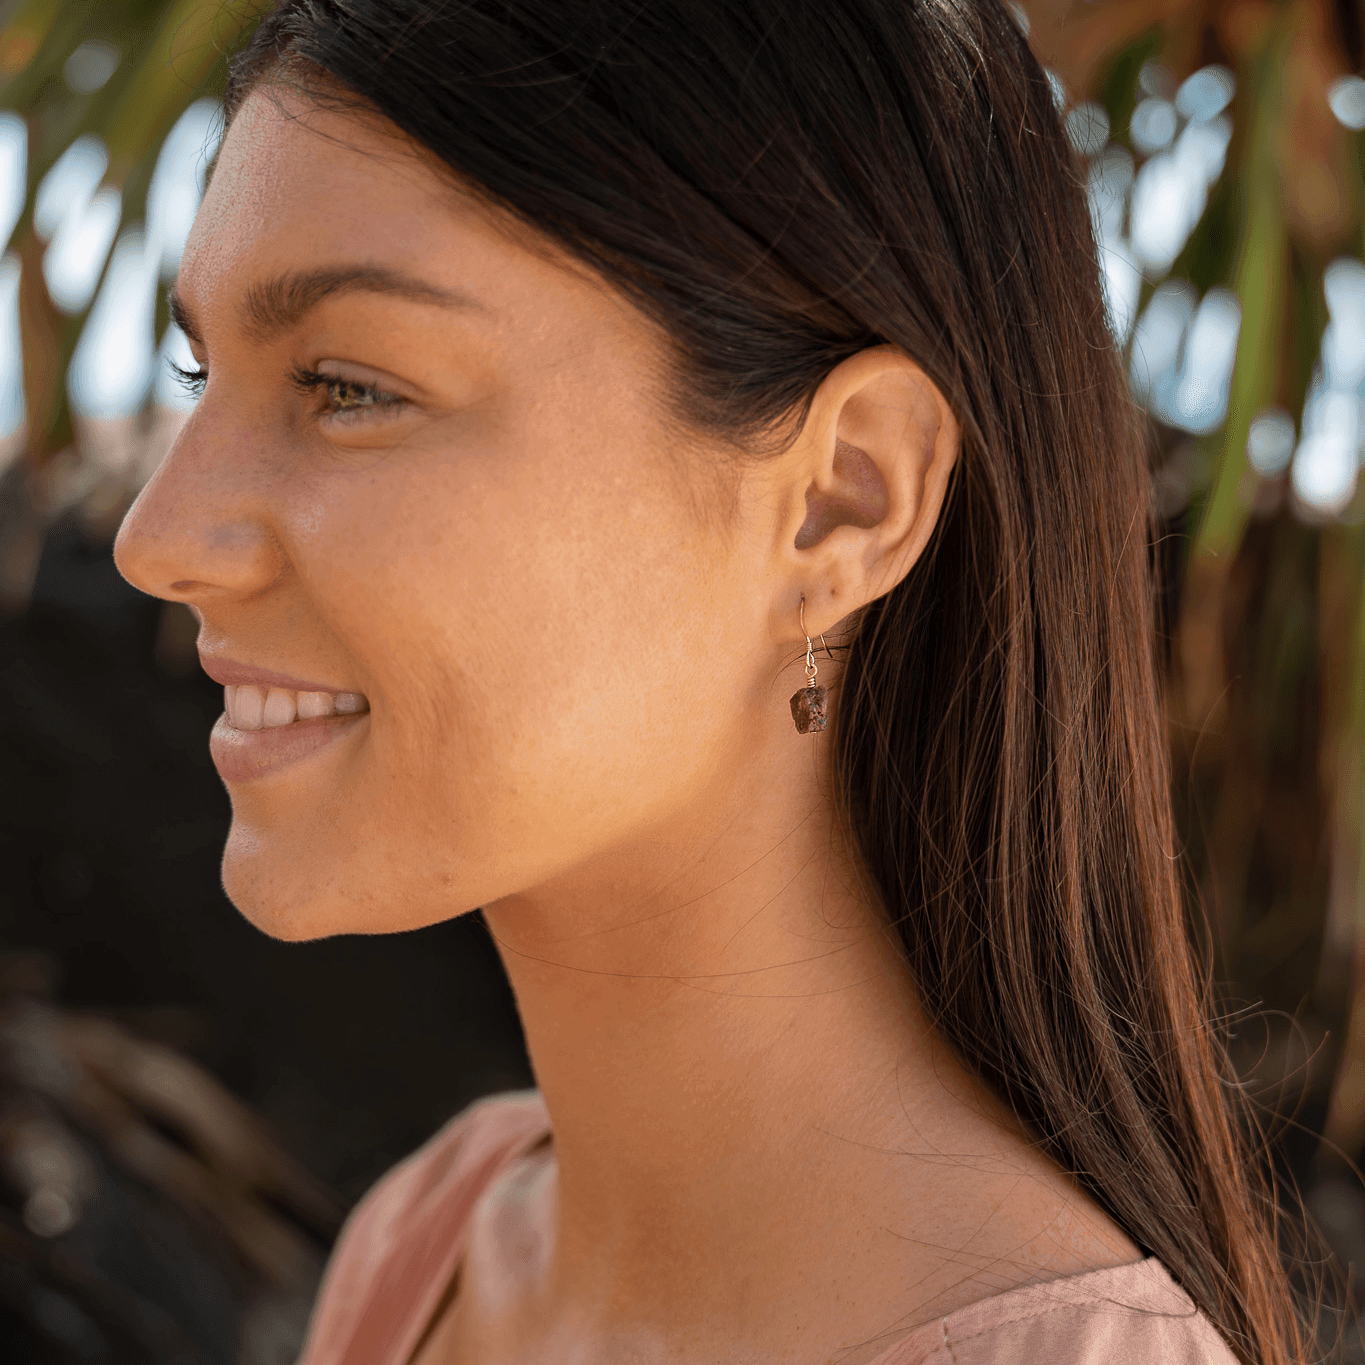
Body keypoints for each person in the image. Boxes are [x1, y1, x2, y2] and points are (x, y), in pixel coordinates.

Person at [113, 1, 1309, 1361]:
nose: (155, 541)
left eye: (346, 387)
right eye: (197, 370)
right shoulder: (429, 1249)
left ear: (844, 500)